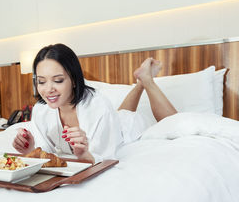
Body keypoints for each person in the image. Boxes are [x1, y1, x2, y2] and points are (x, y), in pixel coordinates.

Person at [12, 43, 177, 163]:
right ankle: (140, 82)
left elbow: (105, 157)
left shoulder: (97, 105)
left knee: (174, 123)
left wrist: (85, 154)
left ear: (74, 80)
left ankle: (146, 81)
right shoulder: (41, 110)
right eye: (41, 82)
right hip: (114, 120)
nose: (48, 89)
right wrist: (30, 150)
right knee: (119, 115)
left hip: (127, 128)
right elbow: (46, 155)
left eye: (58, 80)